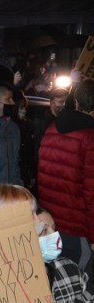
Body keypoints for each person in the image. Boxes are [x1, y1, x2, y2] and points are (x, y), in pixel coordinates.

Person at [38, 79, 94, 250]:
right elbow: (92, 193)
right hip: (79, 230)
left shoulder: (52, 129)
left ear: (76, 102)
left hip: (51, 226)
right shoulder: (90, 139)